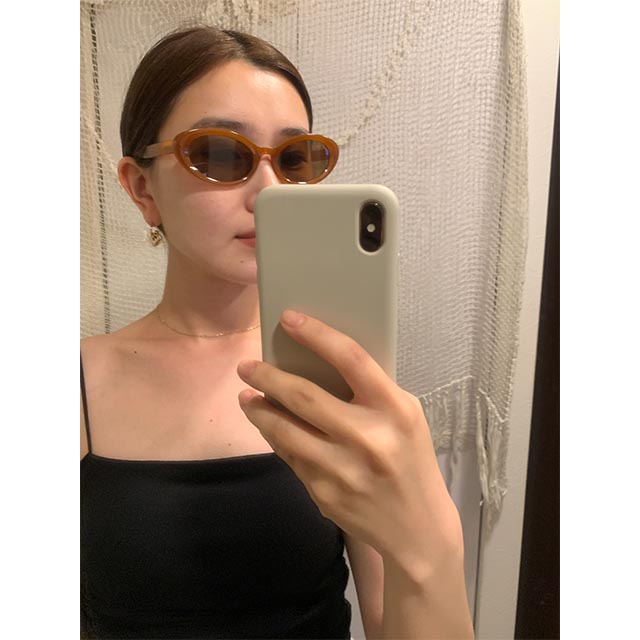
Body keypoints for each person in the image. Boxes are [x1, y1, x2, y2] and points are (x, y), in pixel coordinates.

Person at [80, 25, 474, 639]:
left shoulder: (340, 367)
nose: (269, 191)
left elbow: (389, 620)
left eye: (295, 160)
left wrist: (430, 546)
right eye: (219, 154)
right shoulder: (73, 381)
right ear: (141, 186)